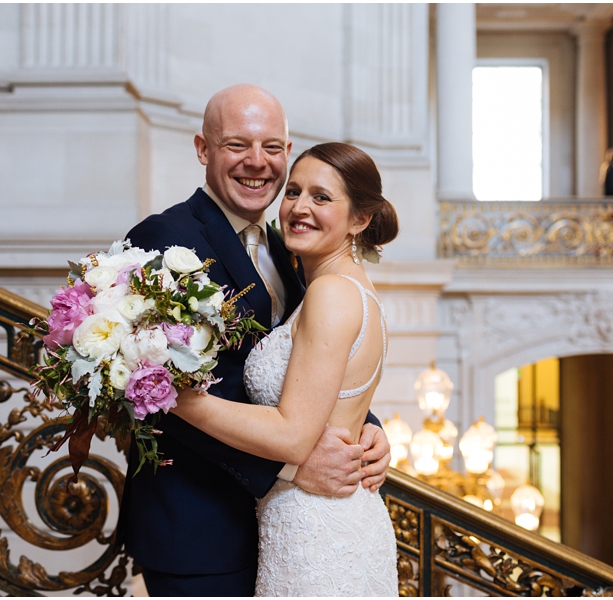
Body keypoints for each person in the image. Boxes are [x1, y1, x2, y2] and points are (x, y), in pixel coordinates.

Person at [116, 84, 391, 597]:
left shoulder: (293, 248)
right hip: (201, 525)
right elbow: (157, 386)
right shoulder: (164, 238)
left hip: (286, 527)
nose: (256, 163)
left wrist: (362, 428)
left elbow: (305, 359)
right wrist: (291, 458)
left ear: (287, 154)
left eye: (271, 147)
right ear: (203, 150)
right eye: (236, 145)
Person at [171, 141, 400, 596]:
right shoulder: (339, 286)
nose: (299, 207)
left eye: (321, 197)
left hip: (318, 535)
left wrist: (172, 395)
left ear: (360, 219)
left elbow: (293, 434)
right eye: (293, 192)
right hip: (316, 521)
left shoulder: (331, 292)